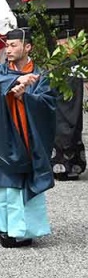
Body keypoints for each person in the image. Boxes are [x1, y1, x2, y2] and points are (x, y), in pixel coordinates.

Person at [0, 28, 56, 248]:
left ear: (27, 47)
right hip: (4, 141)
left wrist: (26, 96)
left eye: (13, 45)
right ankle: (3, 228)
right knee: (4, 188)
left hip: (28, 140)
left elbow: (49, 104)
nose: (8, 49)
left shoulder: (41, 75)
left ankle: (26, 229)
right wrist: (17, 81)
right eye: (7, 45)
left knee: (22, 188)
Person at [51, 29, 86, 181]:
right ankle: (60, 169)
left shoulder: (78, 62)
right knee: (60, 135)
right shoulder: (54, 63)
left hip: (74, 104)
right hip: (59, 104)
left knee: (73, 133)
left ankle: (73, 168)